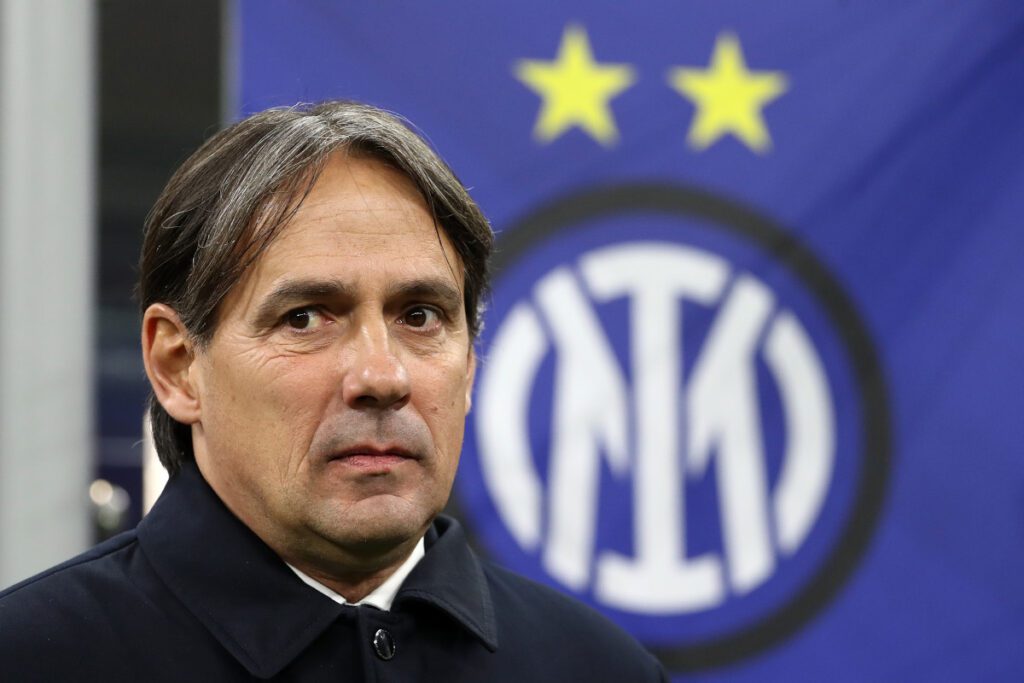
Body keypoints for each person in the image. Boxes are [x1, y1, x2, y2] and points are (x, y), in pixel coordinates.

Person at [0, 101, 667, 681]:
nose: (382, 377)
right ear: (178, 366)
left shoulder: (601, 669)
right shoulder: (30, 658)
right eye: (305, 318)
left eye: (420, 316)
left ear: (469, 365)